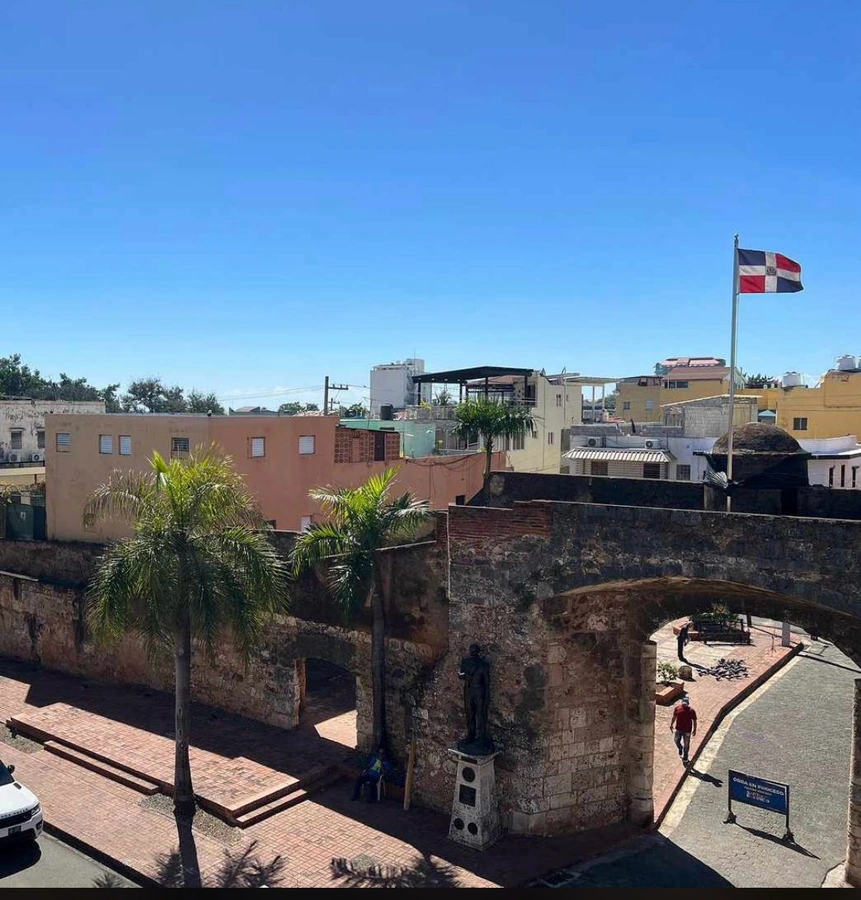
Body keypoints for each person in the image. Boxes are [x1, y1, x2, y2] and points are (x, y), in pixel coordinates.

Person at [670, 696, 697, 764]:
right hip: (678, 728)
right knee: (676, 740)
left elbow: (694, 720)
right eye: (683, 704)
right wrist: (671, 724)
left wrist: (694, 729)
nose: (684, 705)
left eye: (685, 704)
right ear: (682, 703)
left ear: (688, 704)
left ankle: (685, 757)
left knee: (686, 744)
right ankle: (680, 748)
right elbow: (674, 717)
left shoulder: (691, 711)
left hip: (687, 730)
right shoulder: (677, 708)